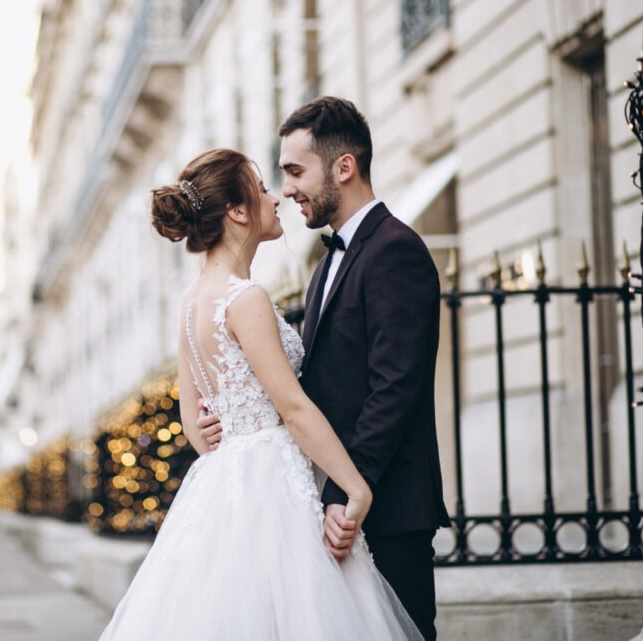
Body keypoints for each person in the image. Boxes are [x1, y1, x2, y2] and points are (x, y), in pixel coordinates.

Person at [99, 148, 422, 640]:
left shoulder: (191, 303)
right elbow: (292, 407)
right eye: (263, 189)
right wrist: (356, 488)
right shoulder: (244, 298)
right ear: (237, 211)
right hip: (272, 484)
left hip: (223, 485)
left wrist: (224, 432)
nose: (276, 198)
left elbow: (193, 421)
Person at [200, 96, 450, 640]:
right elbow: (307, 385)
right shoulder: (325, 263)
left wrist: (344, 493)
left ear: (344, 167)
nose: (286, 189)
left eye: (295, 171)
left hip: (384, 509)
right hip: (326, 503)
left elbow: (394, 390)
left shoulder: (395, 251)